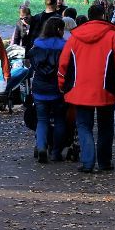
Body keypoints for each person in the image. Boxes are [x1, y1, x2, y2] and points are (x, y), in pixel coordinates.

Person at [58, 3, 115, 173]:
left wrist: (62, 85)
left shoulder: (74, 38)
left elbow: (63, 64)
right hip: (106, 89)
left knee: (84, 125)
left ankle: (87, 161)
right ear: (104, 16)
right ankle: (104, 161)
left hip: (80, 89)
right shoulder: (113, 36)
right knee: (106, 126)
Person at [28, 17, 68, 164]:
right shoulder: (65, 46)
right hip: (58, 88)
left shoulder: (37, 45)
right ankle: (56, 152)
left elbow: (32, 65)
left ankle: (41, 146)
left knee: (42, 120)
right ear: (59, 30)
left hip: (40, 87)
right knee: (59, 120)